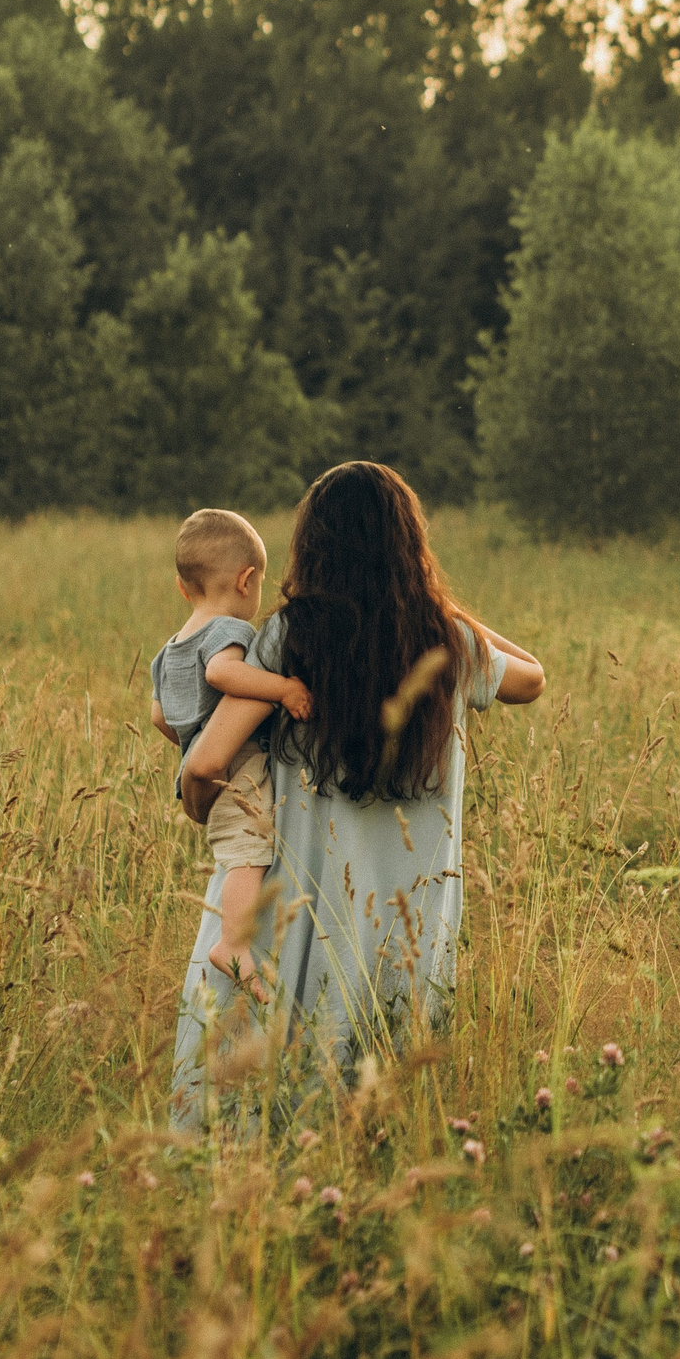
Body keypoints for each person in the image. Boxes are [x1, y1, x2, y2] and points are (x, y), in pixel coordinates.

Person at [169, 463, 543, 1128]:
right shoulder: (447, 642)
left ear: (313, 546)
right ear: (410, 547)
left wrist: (203, 809)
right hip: (405, 937)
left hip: (291, 922)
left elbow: (207, 760)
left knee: (254, 1128)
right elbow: (533, 679)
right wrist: (440, 609)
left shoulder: (290, 635)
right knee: (384, 1122)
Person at [147, 509, 311, 996]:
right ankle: (233, 945)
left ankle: (233, 941)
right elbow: (222, 675)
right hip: (236, 768)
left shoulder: (170, 647)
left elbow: (159, 716)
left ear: (183, 587)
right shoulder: (227, 632)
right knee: (249, 853)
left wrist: (191, 739)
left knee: (237, 853)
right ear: (247, 580)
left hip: (197, 766)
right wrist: (282, 688)